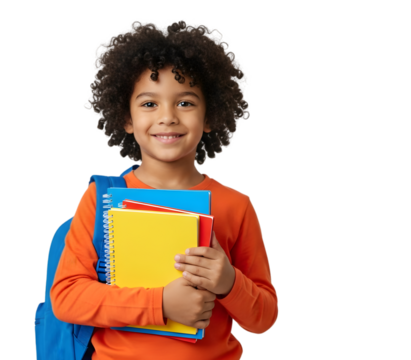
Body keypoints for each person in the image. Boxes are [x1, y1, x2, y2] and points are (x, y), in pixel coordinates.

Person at [50, 19, 279, 360]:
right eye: (149, 104)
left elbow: (263, 318)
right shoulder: (100, 199)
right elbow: (67, 299)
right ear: (125, 118)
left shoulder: (237, 205)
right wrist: (161, 304)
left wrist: (229, 282)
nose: (168, 117)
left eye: (185, 103)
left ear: (210, 114)